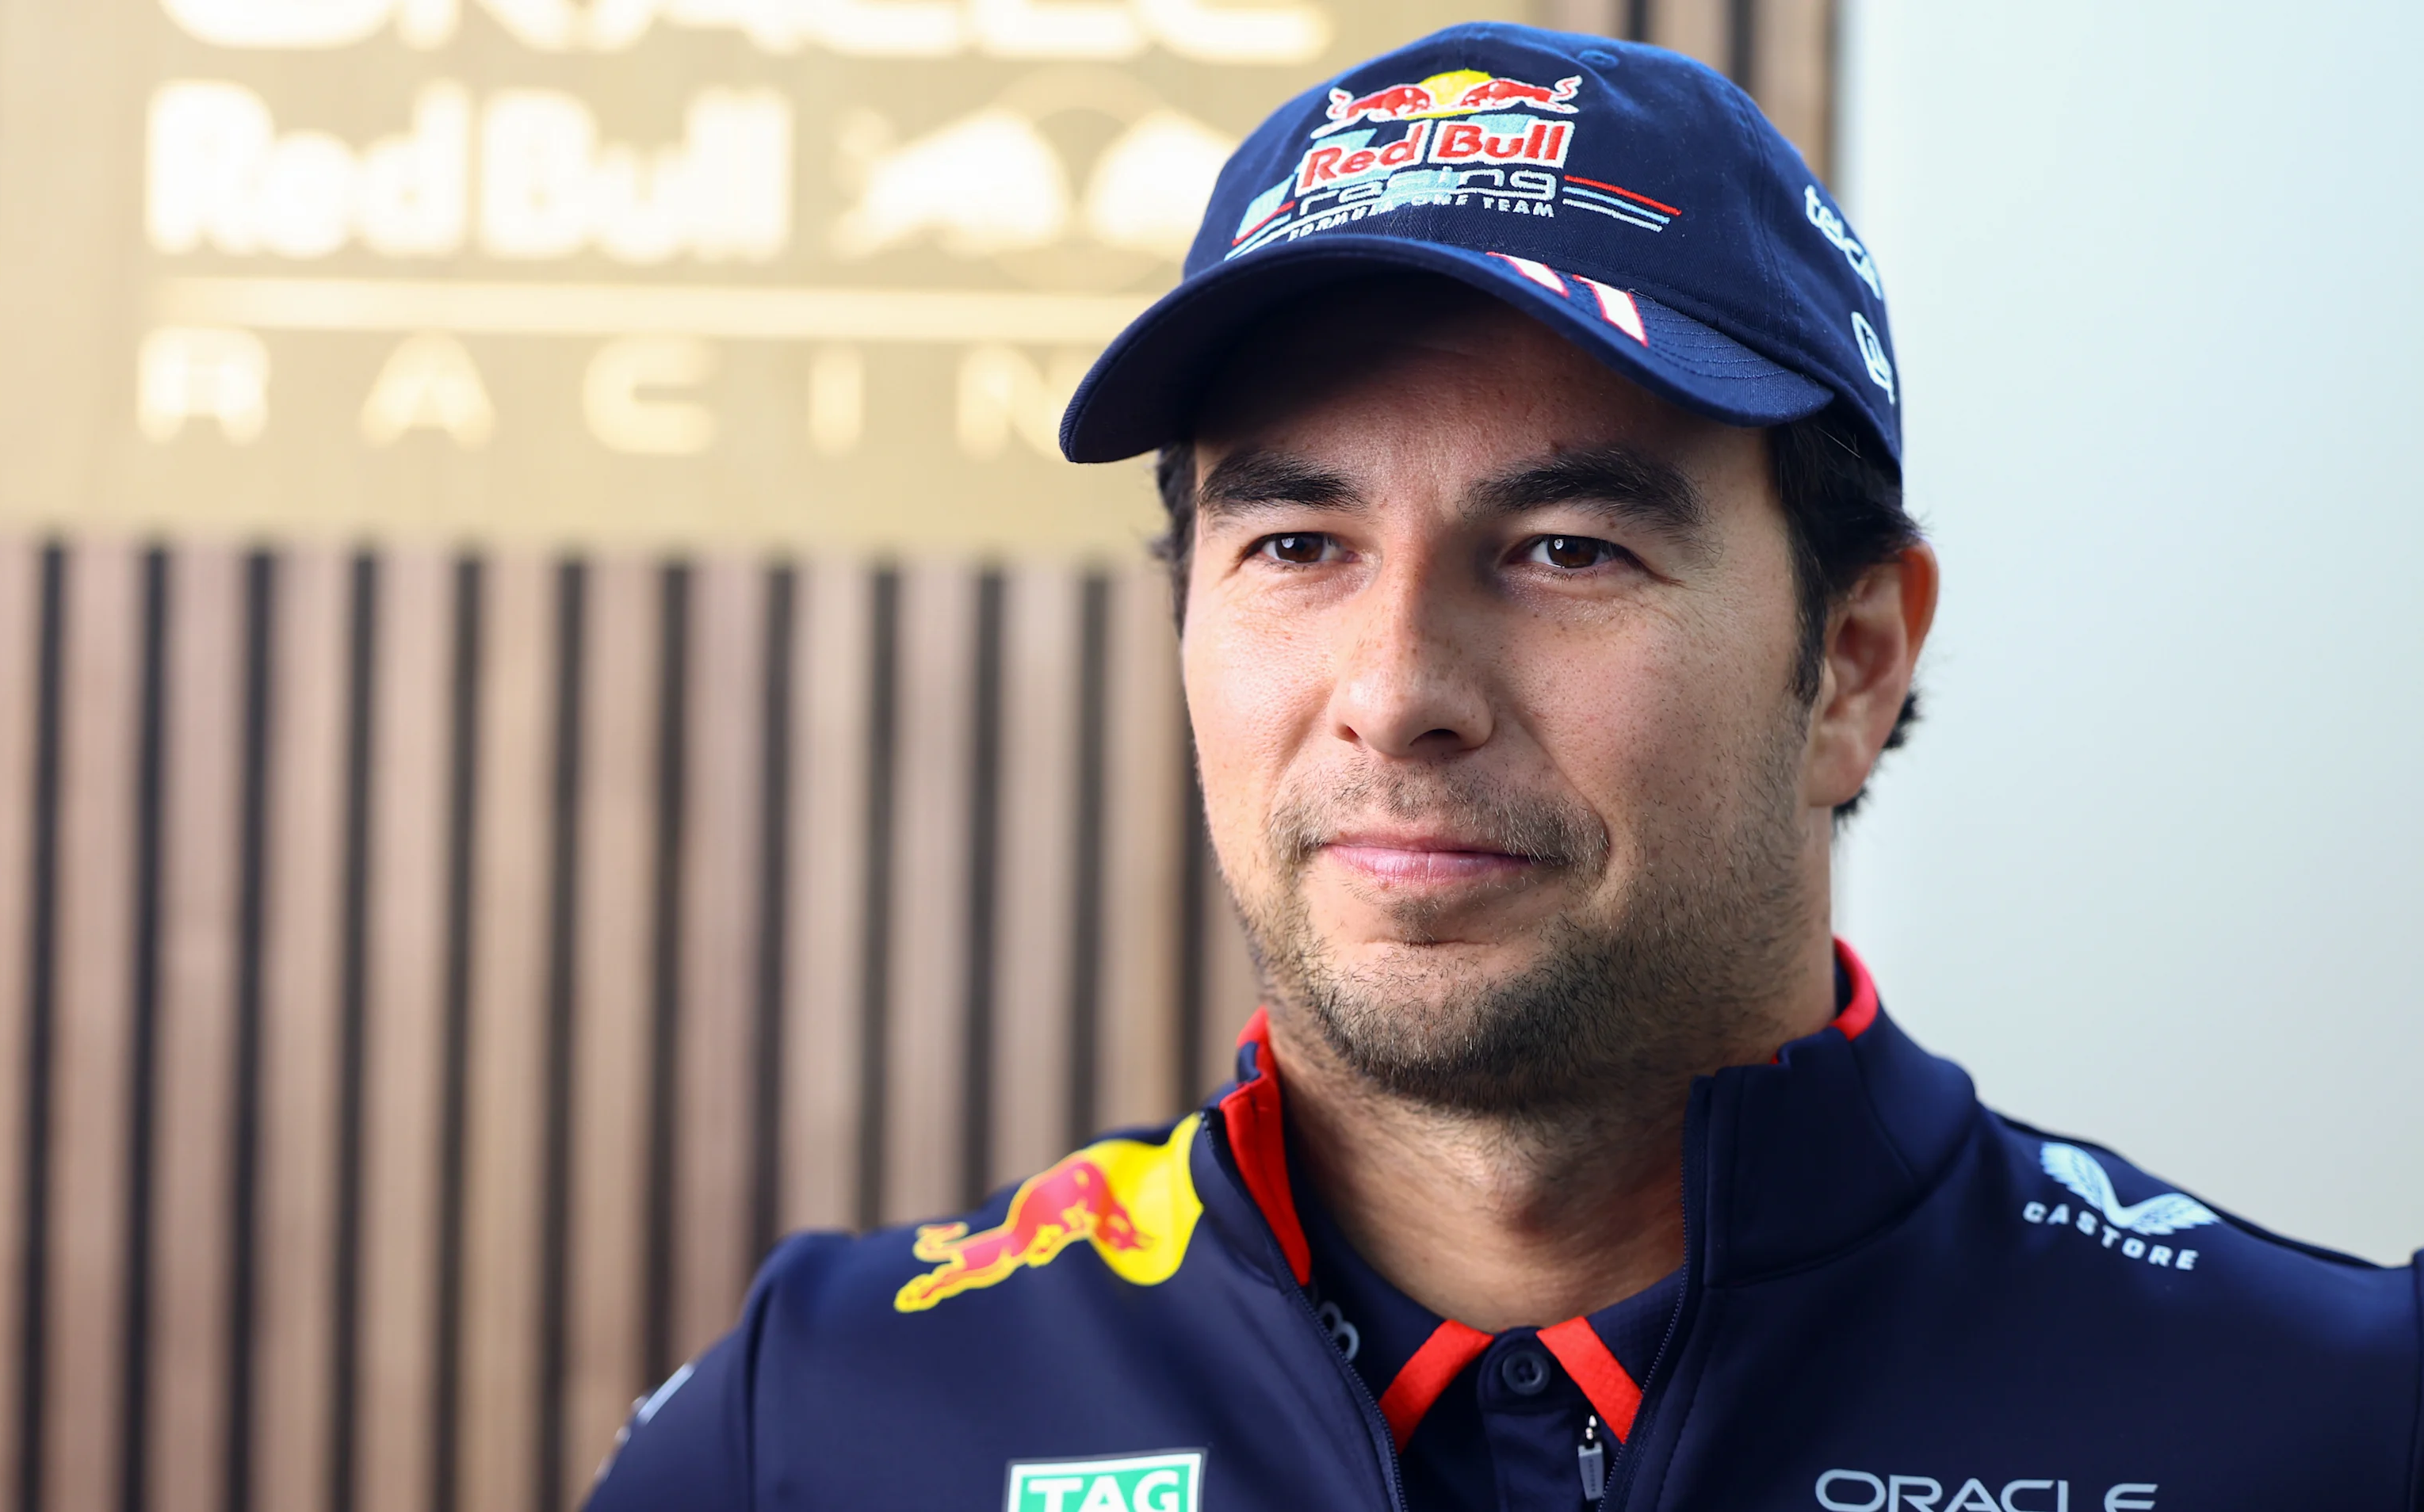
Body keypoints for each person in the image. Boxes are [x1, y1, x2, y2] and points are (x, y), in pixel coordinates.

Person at [587, 22, 2422, 1512]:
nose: (1397, 694)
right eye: (1294, 545)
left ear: (1852, 661)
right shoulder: (820, 1427)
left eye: (1564, 550)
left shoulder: (2333, 1427)